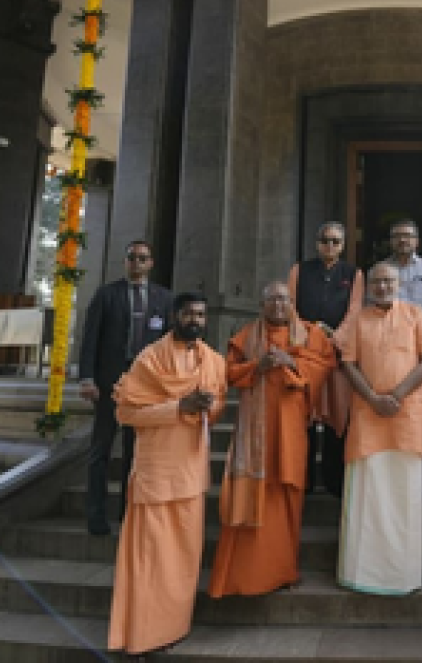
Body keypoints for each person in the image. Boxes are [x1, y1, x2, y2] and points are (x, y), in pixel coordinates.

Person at [108, 292, 227, 656]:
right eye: (189, 313)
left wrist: (207, 407)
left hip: (191, 472)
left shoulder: (213, 361)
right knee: (149, 560)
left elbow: (218, 407)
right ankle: (140, 637)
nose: (195, 320)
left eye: (201, 314)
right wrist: (178, 407)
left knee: (183, 560)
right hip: (157, 474)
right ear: (175, 316)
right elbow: (126, 413)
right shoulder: (151, 359)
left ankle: (173, 627)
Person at [208, 282, 337, 597]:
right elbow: (228, 373)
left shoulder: (310, 334)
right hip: (256, 436)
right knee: (254, 496)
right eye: (273, 299)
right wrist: (259, 365)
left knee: (288, 494)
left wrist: (293, 363)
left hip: (291, 430)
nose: (279, 304)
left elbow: (325, 365)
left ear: (293, 303)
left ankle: (283, 570)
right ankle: (245, 575)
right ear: (262, 304)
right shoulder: (247, 336)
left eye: (285, 299)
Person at [334, 262, 422, 595]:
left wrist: (396, 395)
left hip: (408, 416)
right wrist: (372, 397)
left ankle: (402, 576)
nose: (382, 287)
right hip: (368, 416)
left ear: (399, 284)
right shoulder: (358, 320)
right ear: (368, 287)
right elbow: (348, 363)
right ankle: (360, 572)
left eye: (388, 281)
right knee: (367, 493)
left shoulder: (416, 315)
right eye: (377, 281)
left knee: (404, 498)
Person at [77, 239, 174, 536]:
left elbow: (168, 345)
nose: (137, 262)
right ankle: (96, 515)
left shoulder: (164, 298)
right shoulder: (107, 295)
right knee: (101, 450)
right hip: (109, 383)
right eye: (132, 257)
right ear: (125, 261)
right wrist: (87, 378)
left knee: (136, 452)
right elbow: (90, 338)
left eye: (143, 258)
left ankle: (128, 513)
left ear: (151, 263)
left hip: (145, 386)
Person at [288, 220, 363, 497]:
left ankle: (334, 480)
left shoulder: (353, 274)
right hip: (306, 354)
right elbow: (290, 307)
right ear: (317, 243)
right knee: (305, 416)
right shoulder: (300, 270)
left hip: (337, 356)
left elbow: (355, 311)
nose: (329, 245)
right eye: (325, 240)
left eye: (335, 241)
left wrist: (334, 338)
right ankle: (304, 479)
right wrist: (309, 337)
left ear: (342, 245)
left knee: (338, 417)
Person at [385, 218, 422, 315]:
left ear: (417, 241)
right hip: (392, 323)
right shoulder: (380, 270)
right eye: (397, 236)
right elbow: (371, 304)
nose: (402, 240)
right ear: (390, 241)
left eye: (407, 236)